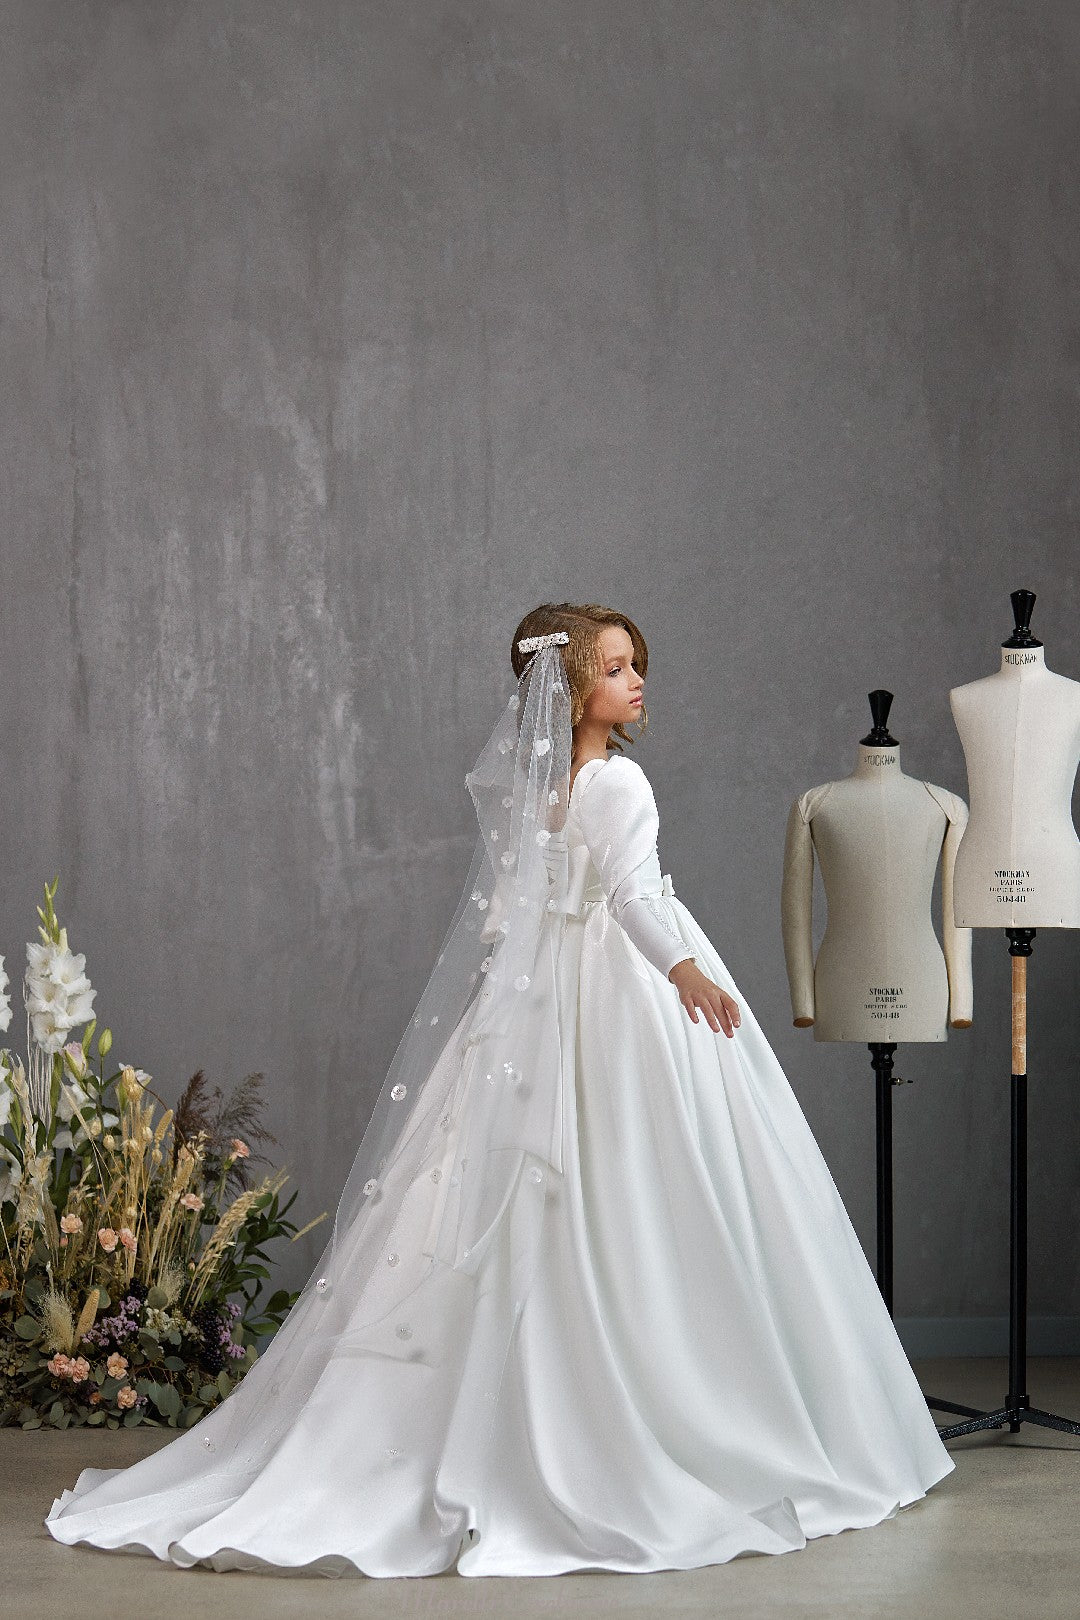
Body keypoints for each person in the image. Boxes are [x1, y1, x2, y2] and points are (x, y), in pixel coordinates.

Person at [45, 603, 953, 1577]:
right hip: (622, 997)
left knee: (509, 1193)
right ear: (571, 686)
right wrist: (685, 971)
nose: (637, 681)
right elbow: (636, 898)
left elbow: (513, 915)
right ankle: (657, 1410)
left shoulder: (538, 790)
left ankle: (480, 1414)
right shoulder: (617, 782)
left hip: (537, 1005)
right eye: (615, 668)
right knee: (649, 1188)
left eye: (636, 663)